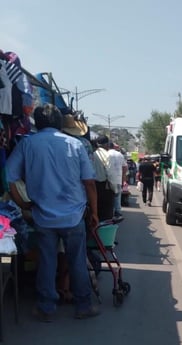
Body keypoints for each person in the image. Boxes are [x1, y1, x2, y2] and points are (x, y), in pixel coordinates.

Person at [6, 104, 100, 321]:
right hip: (74, 216)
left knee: (47, 262)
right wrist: (94, 212)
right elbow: (89, 183)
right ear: (59, 123)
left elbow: (9, 177)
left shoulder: (27, 144)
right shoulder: (75, 144)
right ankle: (83, 306)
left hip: (43, 216)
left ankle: (46, 308)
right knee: (76, 260)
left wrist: (23, 204)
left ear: (37, 123)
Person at [93, 135, 116, 221]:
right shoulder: (108, 155)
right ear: (106, 144)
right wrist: (115, 189)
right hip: (104, 187)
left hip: (92, 185)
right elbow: (111, 175)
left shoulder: (92, 154)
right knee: (106, 215)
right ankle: (104, 233)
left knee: (95, 211)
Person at [107, 142, 128, 218]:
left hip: (108, 179)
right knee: (117, 196)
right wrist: (123, 179)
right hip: (118, 179)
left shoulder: (106, 154)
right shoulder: (120, 155)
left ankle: (110, 213)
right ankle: (118, 212)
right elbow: (125, 168)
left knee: (109, 196)